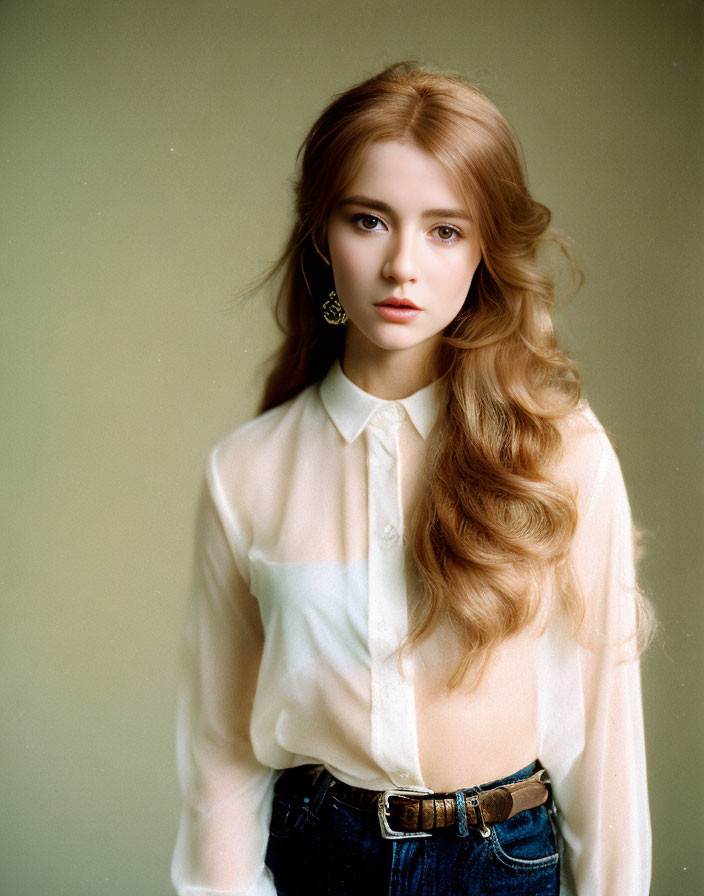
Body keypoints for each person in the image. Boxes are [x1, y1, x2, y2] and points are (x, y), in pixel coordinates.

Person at [171, 63, 653, 896]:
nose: (402, 265)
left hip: (502, 866)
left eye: (445, 230)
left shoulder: (561, 453)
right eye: (369, 220)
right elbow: (221, 752)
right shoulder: (245, 473)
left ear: (484, 251)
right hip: (319, 861)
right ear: (323, 234)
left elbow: (604, 732)